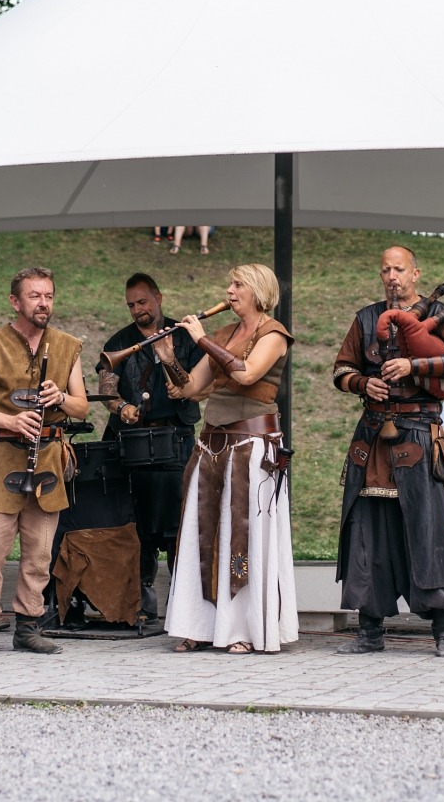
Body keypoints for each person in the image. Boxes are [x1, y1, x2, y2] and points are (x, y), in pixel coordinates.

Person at [330, 246, 444, 657]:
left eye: (399, 269)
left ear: (416, 273)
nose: (391, 276)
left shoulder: (441, 315)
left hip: (419, 436)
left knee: (428, 531)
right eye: (385, 270)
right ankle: (370, 631)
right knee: (367, 531)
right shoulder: (365, 318)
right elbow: (341, 370)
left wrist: (415, 367)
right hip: (373, 437)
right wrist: (364, 385)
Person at [0, 267, 89, 656]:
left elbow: (81, 407)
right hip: (2, 456)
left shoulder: (67, 346)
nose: (43, 303)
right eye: (34, 296)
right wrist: (11, 420)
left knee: (40, 551)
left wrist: (59, 398)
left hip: (47, 458)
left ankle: (28, 627)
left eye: (48, 295)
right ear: (15, 301)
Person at [165, 263, 297, 654]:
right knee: (200, 535)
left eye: (238, 284)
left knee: (242, 537)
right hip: (212, 445)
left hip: (251, 447)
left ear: (257, 290)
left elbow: (246, 373)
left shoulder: (274, 333)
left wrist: (202, 340)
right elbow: (189, 389)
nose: (229, 290)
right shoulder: (224, 333)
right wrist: (168, 355)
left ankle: (243, 629)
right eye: (231, 284)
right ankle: (199, 625)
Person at [96, 274, 203, 621]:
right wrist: (119, 407)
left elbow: (201, 382)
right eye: (131, 304)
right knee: (135, 525)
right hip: (134, 443)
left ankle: (183, 606)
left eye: (142, 302)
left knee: (180, 526)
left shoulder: (185, 337)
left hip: (177, 440)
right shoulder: (120, 342)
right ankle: (139, 603)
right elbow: (107, 388)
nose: (137, 309)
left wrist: (170, 360)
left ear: (159, 297)